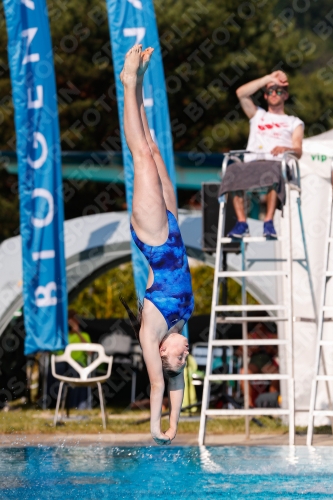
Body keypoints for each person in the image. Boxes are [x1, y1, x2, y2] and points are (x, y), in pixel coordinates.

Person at [119, 45, 194, 445]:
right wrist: (176, 427)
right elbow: (178, 386)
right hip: (175, 232)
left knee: (142, 157)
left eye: (177, 358)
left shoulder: (154, 333)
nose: (184, 356)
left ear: (162, 352)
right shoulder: (180, 327)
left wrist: (156, 429)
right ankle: (142, 82)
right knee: (155, 150)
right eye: (184, 358)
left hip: (153, 237)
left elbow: (159, 387)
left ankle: (128, 83)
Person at [219, 70, 304, 238]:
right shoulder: (258, 115)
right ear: (265, 96)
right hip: (252, 162)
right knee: (233, 170)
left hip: (277, 164)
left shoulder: (293, 122)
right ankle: (242, 223)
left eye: (278, 91)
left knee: (273, 170)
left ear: (285, 96)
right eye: (270, 91)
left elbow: (298, 150)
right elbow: (240, 93)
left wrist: (286, 149)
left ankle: (269, 221)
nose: (274, 94)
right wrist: (267, 78)